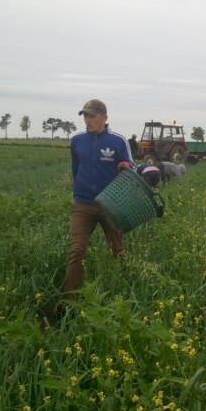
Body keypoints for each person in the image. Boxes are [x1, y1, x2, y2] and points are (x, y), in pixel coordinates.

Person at [62, 99, 134, 307]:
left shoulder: (118, 141)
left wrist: (125, 166)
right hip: (82, 205)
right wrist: (78, 192)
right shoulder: (77, 141)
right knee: (76, 250)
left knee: (117, 249)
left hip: (110, 205)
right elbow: (76, 168)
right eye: (85, 115)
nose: (88, 120)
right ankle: (70, 301)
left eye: (92, 116)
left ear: (105, 117)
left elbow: (131, 166)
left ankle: (121, 294)